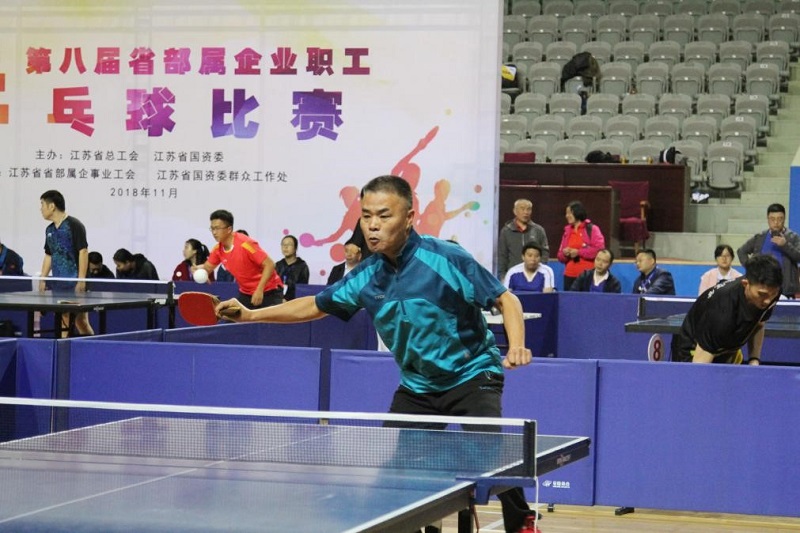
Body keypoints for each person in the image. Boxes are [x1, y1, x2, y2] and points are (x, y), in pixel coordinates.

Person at [215, 175, 536, 532]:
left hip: (471, 374)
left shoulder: (446, 258)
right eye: (366, 215)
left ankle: (522, 521)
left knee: (492, 455)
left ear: (409, 217)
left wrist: (516, 344)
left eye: (384, 215)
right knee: (396, 477)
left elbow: (506, 299)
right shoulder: (366, 275)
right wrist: (251, 314)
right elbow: (313, 306)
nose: (372, 225)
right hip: (418, 387)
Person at [672, 254, 782, 365]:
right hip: (694, 350)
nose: (767, 301)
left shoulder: (770, 293)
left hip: (726, 349)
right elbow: (700, 365)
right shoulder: (723, 310)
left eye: (773, 294)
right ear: (745, 284)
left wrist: (754, 359)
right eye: (762, 294)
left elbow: (759, 323)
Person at [197, 211, 283, 308]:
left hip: (269, 290)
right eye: (212, 228)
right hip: (246, 293)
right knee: (230, 317)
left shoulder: (245, 244)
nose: (214, 232)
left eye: (217, 228)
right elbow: (208, 267)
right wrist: (199, 269)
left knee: (267, 318)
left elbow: (270, 264)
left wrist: (259, 290)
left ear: (229, 229)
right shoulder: (218, 249)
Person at [38, 189, 93, 336]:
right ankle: (65, 347)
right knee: (65, 319)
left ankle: (92, 345)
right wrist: (43, 278)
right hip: (59, 284)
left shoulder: (74, 225)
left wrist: (81, 280)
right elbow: (49, 255)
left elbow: (83, 251)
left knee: (81, 321)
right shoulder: (49, 230)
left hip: (74, 282)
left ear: (52, 206)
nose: (41, 209)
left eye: (42, 204)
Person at [737, 203, 800, 298]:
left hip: (785, 290)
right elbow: (741, 251)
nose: (776, 222)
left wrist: (785, 245)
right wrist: (752, 269)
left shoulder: (793, 237)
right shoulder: (760, 237)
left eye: (780, 219)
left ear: (784, 219)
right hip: (761, 288)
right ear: (768, 219)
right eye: (772, 219)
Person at [497, 199, 549, 282]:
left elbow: (544, 253)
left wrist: (539, 271)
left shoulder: (538, 230)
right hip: (513, 277)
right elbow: (502, 256)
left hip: (535, 277)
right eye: (522, 208)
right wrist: (503, 277)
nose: (526, 212)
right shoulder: (506, 231)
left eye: (528, 209)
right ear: (515, 211)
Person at [556, 200, 605, 290]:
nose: (567, 216)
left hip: (587, 276)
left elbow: (599, 250)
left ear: (577, 212)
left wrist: (578, 252)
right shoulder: (567, 232)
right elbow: (560, 256)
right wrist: (565, 253)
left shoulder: (592, 229)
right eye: (566, 213)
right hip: (569, 275)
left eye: (569, 213)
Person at [275, 234, 309, 300]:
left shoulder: (302, 266)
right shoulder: (278, 265)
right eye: (283, 244)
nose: (285, 247)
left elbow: (302, 289)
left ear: (295, 248)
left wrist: (288, 300)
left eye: (289, 244)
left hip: (294, 302)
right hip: (278, 301)